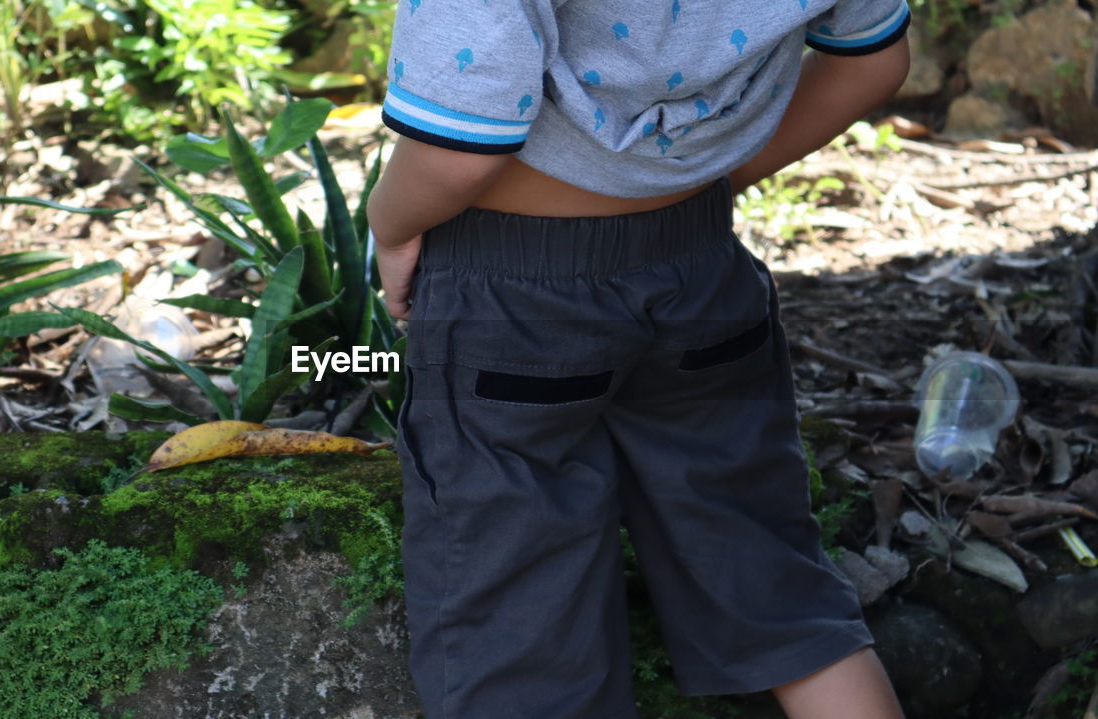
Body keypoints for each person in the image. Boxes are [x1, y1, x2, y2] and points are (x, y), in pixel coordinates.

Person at [366, 0, 912, 716]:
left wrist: (390, 226)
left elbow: (460, 151)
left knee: (518, 643)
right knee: (781, 594)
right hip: (702, 272)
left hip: (512, 296)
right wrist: (702, 187)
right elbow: (875, 62)